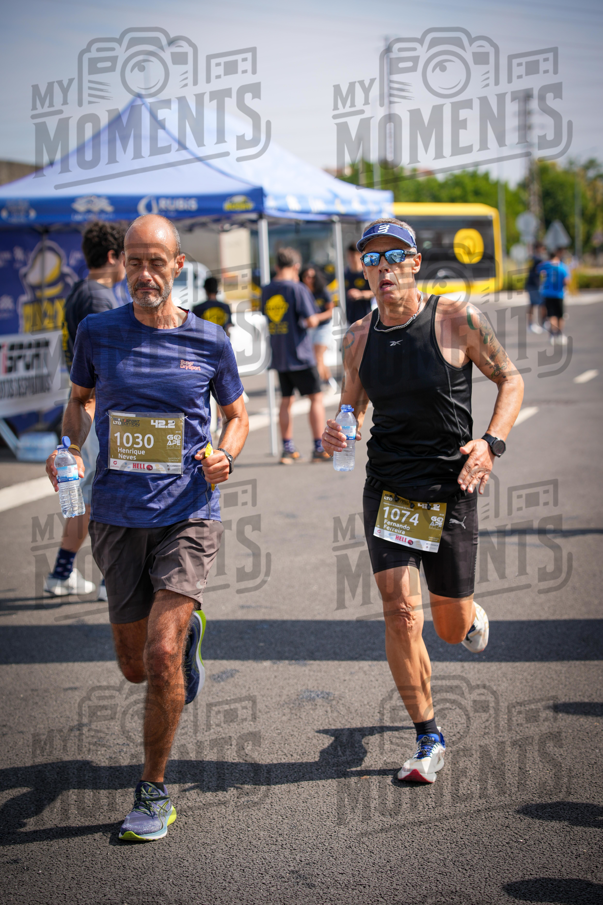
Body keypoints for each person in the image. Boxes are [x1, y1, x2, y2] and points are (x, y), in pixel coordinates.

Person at [45, 213, 249, 842]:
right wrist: (67, 448)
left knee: (160, 655)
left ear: (178, 266)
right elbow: (79, 402)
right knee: (136, 666)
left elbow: (237, 415)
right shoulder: (97, 331)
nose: (142, 274)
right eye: (133, 261)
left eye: (155, 262)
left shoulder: (209, 341)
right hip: (114, 515)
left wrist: (225, 455)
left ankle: (153, 791)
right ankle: (186, 645)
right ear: (121, 264)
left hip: (188, 512)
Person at [322, 217, 524, 784]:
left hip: (450, 487)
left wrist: (490, 443)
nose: (382, 269)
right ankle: (428, 736)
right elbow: (351, 409)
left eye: (394, 258)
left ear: (415, 263)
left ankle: (468, 614)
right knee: (400, 612)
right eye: (371, 259)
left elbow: (511, 381)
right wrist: (338, 430)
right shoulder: (358, 338)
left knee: (449, 628)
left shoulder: (456, 319)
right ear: (362, 269)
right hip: (388, 487)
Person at [45, 221, 127, 600]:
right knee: (101, 493)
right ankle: (110, 578)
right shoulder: (99, 298)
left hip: (82, 403)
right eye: (127, 256)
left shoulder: (80, 291)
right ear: (113, 256)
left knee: (84, 493)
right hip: (96, 408)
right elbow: (107, 365)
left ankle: (61, 573)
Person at [261, 247, 329, 463]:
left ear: (276, 266)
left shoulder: (267, 289)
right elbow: (310, 320)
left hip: (279, 354)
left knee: (285, 401)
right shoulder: (297, 288)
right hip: (300, 354)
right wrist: (318, 318)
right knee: (316, 398)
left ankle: (287, 449)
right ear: (296, 267)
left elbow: (267, 315)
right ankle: (319, 447)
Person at [300, 264, 337, 391]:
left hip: (324, 327)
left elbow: (331, 311)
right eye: (305, 276)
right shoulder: (301, 292)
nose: (308, 279)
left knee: (318, 356)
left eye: (311, 276)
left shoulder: (322, 291)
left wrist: (317, 318)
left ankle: (318, 385)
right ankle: (328, 380)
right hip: (309, 329)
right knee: (316, 358)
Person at [537, 249, 570, 345]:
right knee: (560, 315)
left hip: (547, 293)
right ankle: (559, 334)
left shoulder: (546, 266)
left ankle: (552, 335)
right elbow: (567, 281)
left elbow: (538, 270)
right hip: (559, 294)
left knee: (551, 315)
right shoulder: (562, 267)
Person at [344, 242, 374, 325]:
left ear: (359, 255)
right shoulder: (345, 274)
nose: (351, 258)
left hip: (365, 316)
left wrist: (360, 294)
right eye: (349, 255)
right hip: (349, 317)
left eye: (353, 255)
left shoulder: (366, 273)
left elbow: (375, 292)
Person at [525, 243, 546, 333]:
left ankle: (531, 324)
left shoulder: (532, 258)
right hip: (535, 284)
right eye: (543, 248)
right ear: (539, 248)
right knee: (541, 304)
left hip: (530, 283)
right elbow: (543, 271)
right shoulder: (538, 259)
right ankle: (543, 323)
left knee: (533, 304)